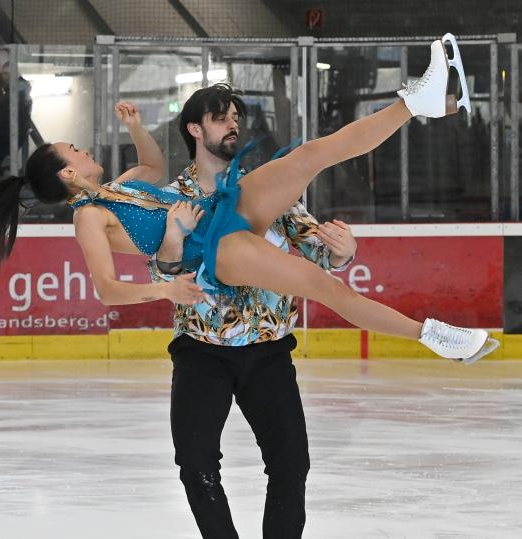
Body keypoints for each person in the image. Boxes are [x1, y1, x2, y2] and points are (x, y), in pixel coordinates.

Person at [0, 35, 496, 365]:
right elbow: (107, 289)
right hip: (214, 250)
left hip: (221, 205)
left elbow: (157, 168)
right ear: (67, 173)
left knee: (310, 156)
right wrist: (164, 286)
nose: (85, 149)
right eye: (75, 150)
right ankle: (433, 336)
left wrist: (134, 127)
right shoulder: (90, 215)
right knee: (322, 287)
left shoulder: (124, 183)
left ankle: (419, 102)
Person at [147, 82, 358, 538]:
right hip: (201, 352)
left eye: (235, 119)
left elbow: (321, 255)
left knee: (291, 464)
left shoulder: (265, 191)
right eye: (221, 118)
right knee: (196, 464)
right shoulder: (172, 200)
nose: (232, 126)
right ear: (194, 129)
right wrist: (174, 234)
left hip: (268, 352)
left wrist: (342, 251)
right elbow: (163, 277)